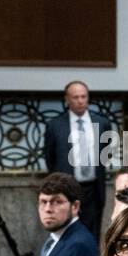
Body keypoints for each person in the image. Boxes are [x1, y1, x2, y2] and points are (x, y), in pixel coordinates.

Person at [44, 80, 114, 237]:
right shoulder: (55, 126)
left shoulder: (102, 123)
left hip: (93, 190)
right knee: (66, 232)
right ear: (67, 100)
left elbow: (106, 149)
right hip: (67, 189)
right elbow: (50, 157)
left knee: (92, 234)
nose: (81, 101)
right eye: (75, 97)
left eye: (84, 96)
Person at [31, 173, 98, 256]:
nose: (48, 209)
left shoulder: (78, 246)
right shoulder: (56, 236)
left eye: (57, 202)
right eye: (43, 202)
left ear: (75, 207)